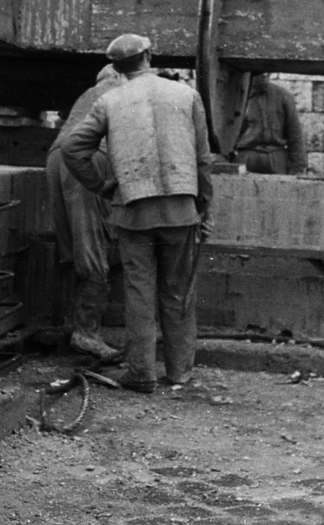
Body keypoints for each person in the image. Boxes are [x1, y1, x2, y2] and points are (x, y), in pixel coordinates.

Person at [61, 33, 213, 393]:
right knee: (178, 292)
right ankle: (179, 373)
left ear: (115, 67)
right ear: (149, 55)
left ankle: (142, 373)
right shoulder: (186, 95)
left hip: (132, 211)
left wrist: (103, 186)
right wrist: (201, 207)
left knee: (139, 293)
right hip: (181, 209)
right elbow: (203, 161)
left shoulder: (110, 100)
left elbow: (71, 149)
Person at [45, 64, 124, 362]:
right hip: (90, 158)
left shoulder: (89, 93)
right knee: (94, 245)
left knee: (72, 248)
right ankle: (87, 334)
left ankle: (70, 323)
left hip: (57, 158)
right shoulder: (122, 89)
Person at [231, 73, 307, 174]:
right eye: (260, 72)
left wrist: (298, 169)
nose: (264, 75)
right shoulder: (236, 95)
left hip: (276, 160)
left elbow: (295, 136)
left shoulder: (283, 96)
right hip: (245, 158)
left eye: (267, 72)